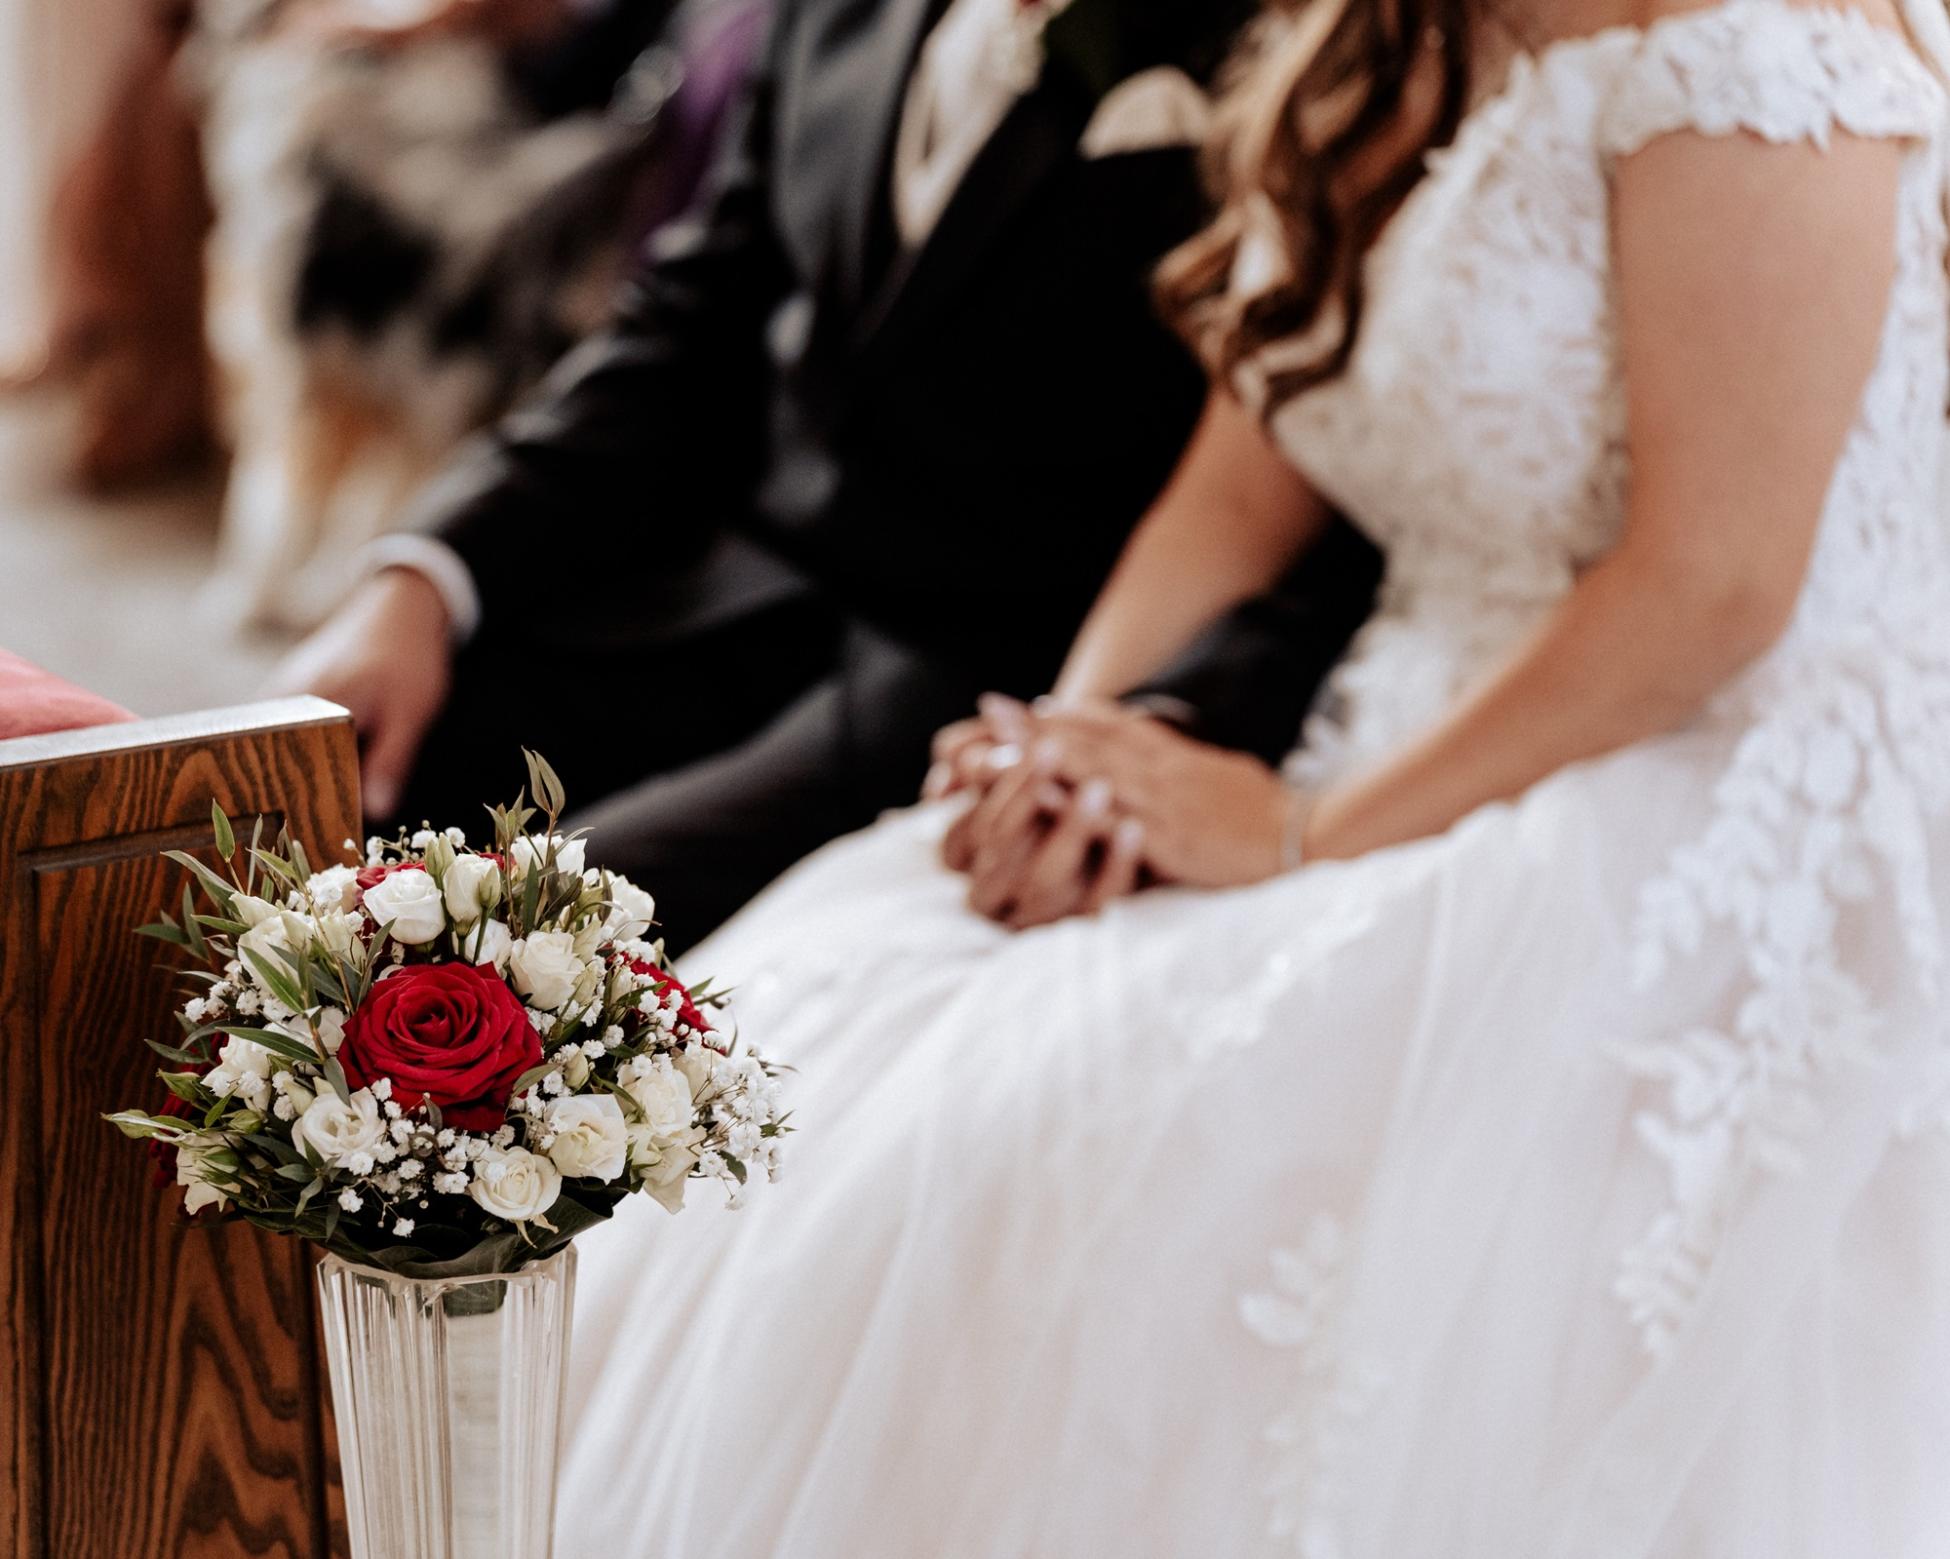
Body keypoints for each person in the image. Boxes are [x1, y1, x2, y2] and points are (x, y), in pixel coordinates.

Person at [549, 0, 1950, 1550]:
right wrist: (1057, 752)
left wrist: (1298, 833)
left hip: (1689, 784)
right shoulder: (1391, 42)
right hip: (1384, 734)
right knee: (862, 1026)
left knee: (1100, 1138)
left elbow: (1712, 589)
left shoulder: (1753, 61)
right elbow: (1227, 501)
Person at [271, 0, 1383, 950]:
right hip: (713, 595)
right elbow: (684, 333)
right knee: (288, 810)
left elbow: (1309, 499)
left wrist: (1146, 732)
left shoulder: (1304, 49)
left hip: (981, 693)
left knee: (510, 940)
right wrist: (422, 576)